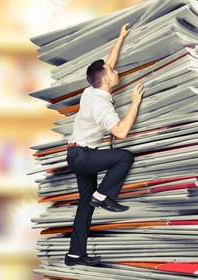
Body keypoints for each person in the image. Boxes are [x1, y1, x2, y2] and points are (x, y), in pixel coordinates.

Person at [64, 23, 145, 266]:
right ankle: (102, 195)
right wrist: (134, 103)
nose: (114, 69)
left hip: (75, 155)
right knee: (124, 157)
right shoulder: (100, 104)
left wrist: (120, 38)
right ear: (106, 79)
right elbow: (120, 132)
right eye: (111, 70)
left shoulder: (92, 89)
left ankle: (74, 255)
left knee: (84, 206)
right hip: (82, 156)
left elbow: (106, 66)